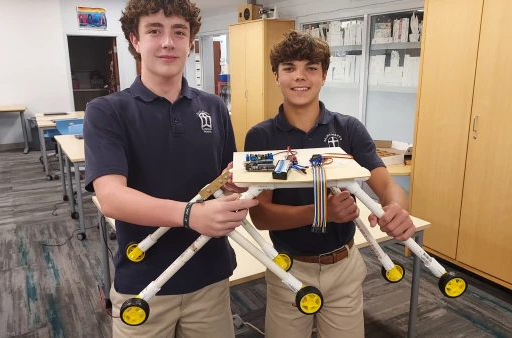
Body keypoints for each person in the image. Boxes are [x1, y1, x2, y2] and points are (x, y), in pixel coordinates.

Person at [83, 0, 258, 337]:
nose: (168, 42)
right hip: (144, 281)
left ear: (190, 42)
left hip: (210, 277)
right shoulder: (106, 111)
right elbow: (112, 199)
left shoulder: (214, 107)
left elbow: (226, 180)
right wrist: (191, 214)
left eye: (179, 31)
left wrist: (234, 188)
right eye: (154, 31)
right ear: (135, 41)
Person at [244, 30, 416, 338]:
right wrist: (324, 212)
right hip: (288, 267)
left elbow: (388, 187)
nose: (300, 77)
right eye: (289, 68)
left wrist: (397, 210)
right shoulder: (262, 137)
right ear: (276, 76)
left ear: (324, 75)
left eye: (311, 67)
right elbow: (260, 215)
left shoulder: (348, 128)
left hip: (344, 267)